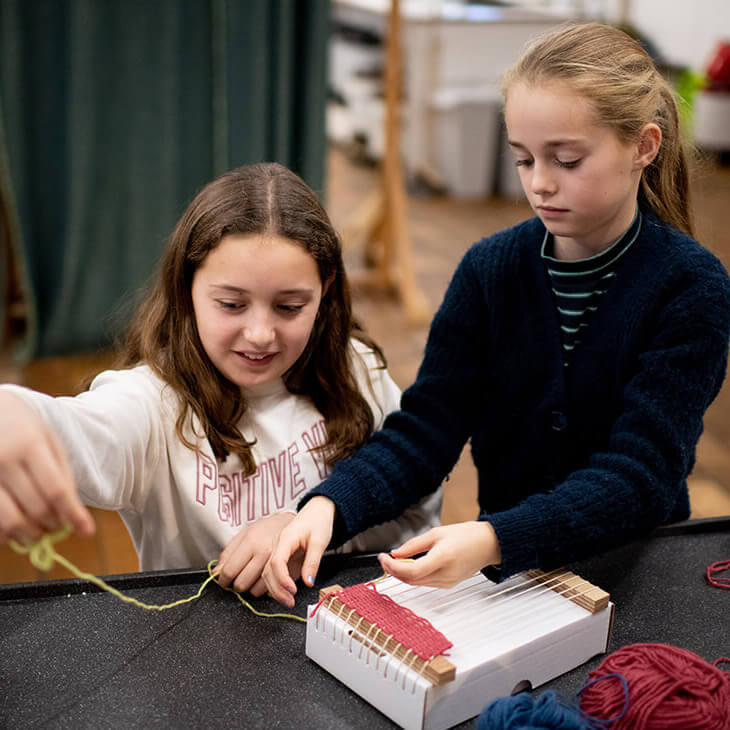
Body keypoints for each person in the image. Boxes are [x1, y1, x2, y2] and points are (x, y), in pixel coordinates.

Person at [263, 22, 730, 608]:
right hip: (511, 583)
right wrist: (331, 505)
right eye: (523, 158)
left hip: (635, 575)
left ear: (644, 146)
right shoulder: (490, 271)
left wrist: (494, 538)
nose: (539, 183)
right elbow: (426, 429)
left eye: (566, 159)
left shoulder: (692, 287)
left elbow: (640, 478)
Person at [0, 162, 441, 594]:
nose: (260, 334)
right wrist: (15, 411)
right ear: (187, 286)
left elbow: (418, 491)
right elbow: (77, 429)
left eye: (289, 307)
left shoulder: (357, 367)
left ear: (324, 290)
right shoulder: (152, 404)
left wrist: (306, 527)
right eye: (231, 305)